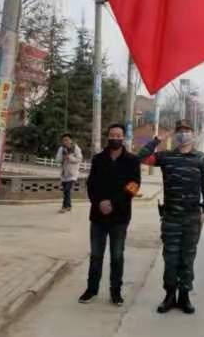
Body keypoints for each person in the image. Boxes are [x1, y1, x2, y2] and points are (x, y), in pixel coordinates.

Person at [138, 119, 204, 315]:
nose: (183, 134)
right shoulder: (166, 157)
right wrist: (157, 140)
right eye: (180, 131)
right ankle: (170, 296)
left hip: (191, 218)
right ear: (176, 134)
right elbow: (141, 157)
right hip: (171, 217)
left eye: (187, 130)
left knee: (187, 259)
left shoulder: (200, 158)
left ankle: (184, 296)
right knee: (170, 259)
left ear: (192, 134)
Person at [78, 124, 141, 306]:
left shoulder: (132, 160)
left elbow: (134, 186)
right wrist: (99, 202)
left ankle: (116, 292)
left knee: (117, 256)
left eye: (119, 135)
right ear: (108, 137)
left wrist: (113, 203)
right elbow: (91, 184)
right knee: (96, 255)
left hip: (120, 217)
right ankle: (91, 290)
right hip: (98, 216)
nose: (115, 138)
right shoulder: (98, 159)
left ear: (124, 137)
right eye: (112, 135)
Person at [55, 133, 82, 213]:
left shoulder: (76, 148)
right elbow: (57, 160)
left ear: (71, 140)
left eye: (67, 140)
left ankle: (64, 207)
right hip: (64, 174)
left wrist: (69, 157)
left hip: (73, 173)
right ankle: (69, 206)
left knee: (67, 190)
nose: (65, 142)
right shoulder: (61, 149)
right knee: (66, 191)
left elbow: (79, 159)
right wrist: (62, 158)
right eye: (64, 140)